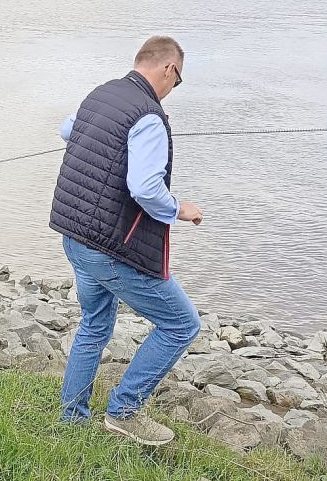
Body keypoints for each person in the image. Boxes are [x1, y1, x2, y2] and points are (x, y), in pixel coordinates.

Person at [50, 36, 204, 446]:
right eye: (178, 78)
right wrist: (180, 209)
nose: (174, 87)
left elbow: (69, 129)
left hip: (75, 235)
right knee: (181, 324)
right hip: (110, 248)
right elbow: (145, 188)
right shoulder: (148, 116)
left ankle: (72, 418)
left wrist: (121, 137)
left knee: (95, 324)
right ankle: (124, 410)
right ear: (168, 69)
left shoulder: (102, 94)